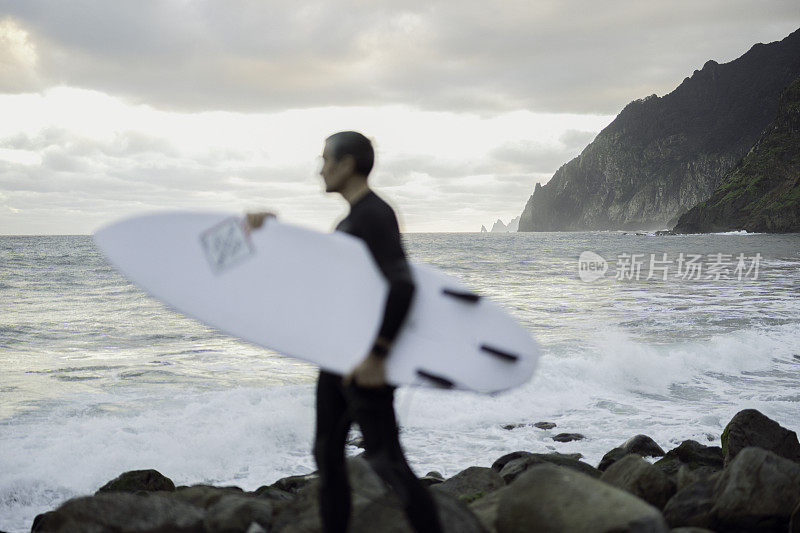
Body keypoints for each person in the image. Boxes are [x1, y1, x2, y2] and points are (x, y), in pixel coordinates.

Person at [247, 131, 442, 533]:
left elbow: (403, 284)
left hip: (363, 360)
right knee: (326, 455)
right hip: (339, 357)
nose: (320, 169)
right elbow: (323, 280)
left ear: (347, 163)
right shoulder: (350, 220)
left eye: (325, 159)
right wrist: (271, 234)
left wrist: (378, 354)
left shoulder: (373, 214)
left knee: (387, 461)